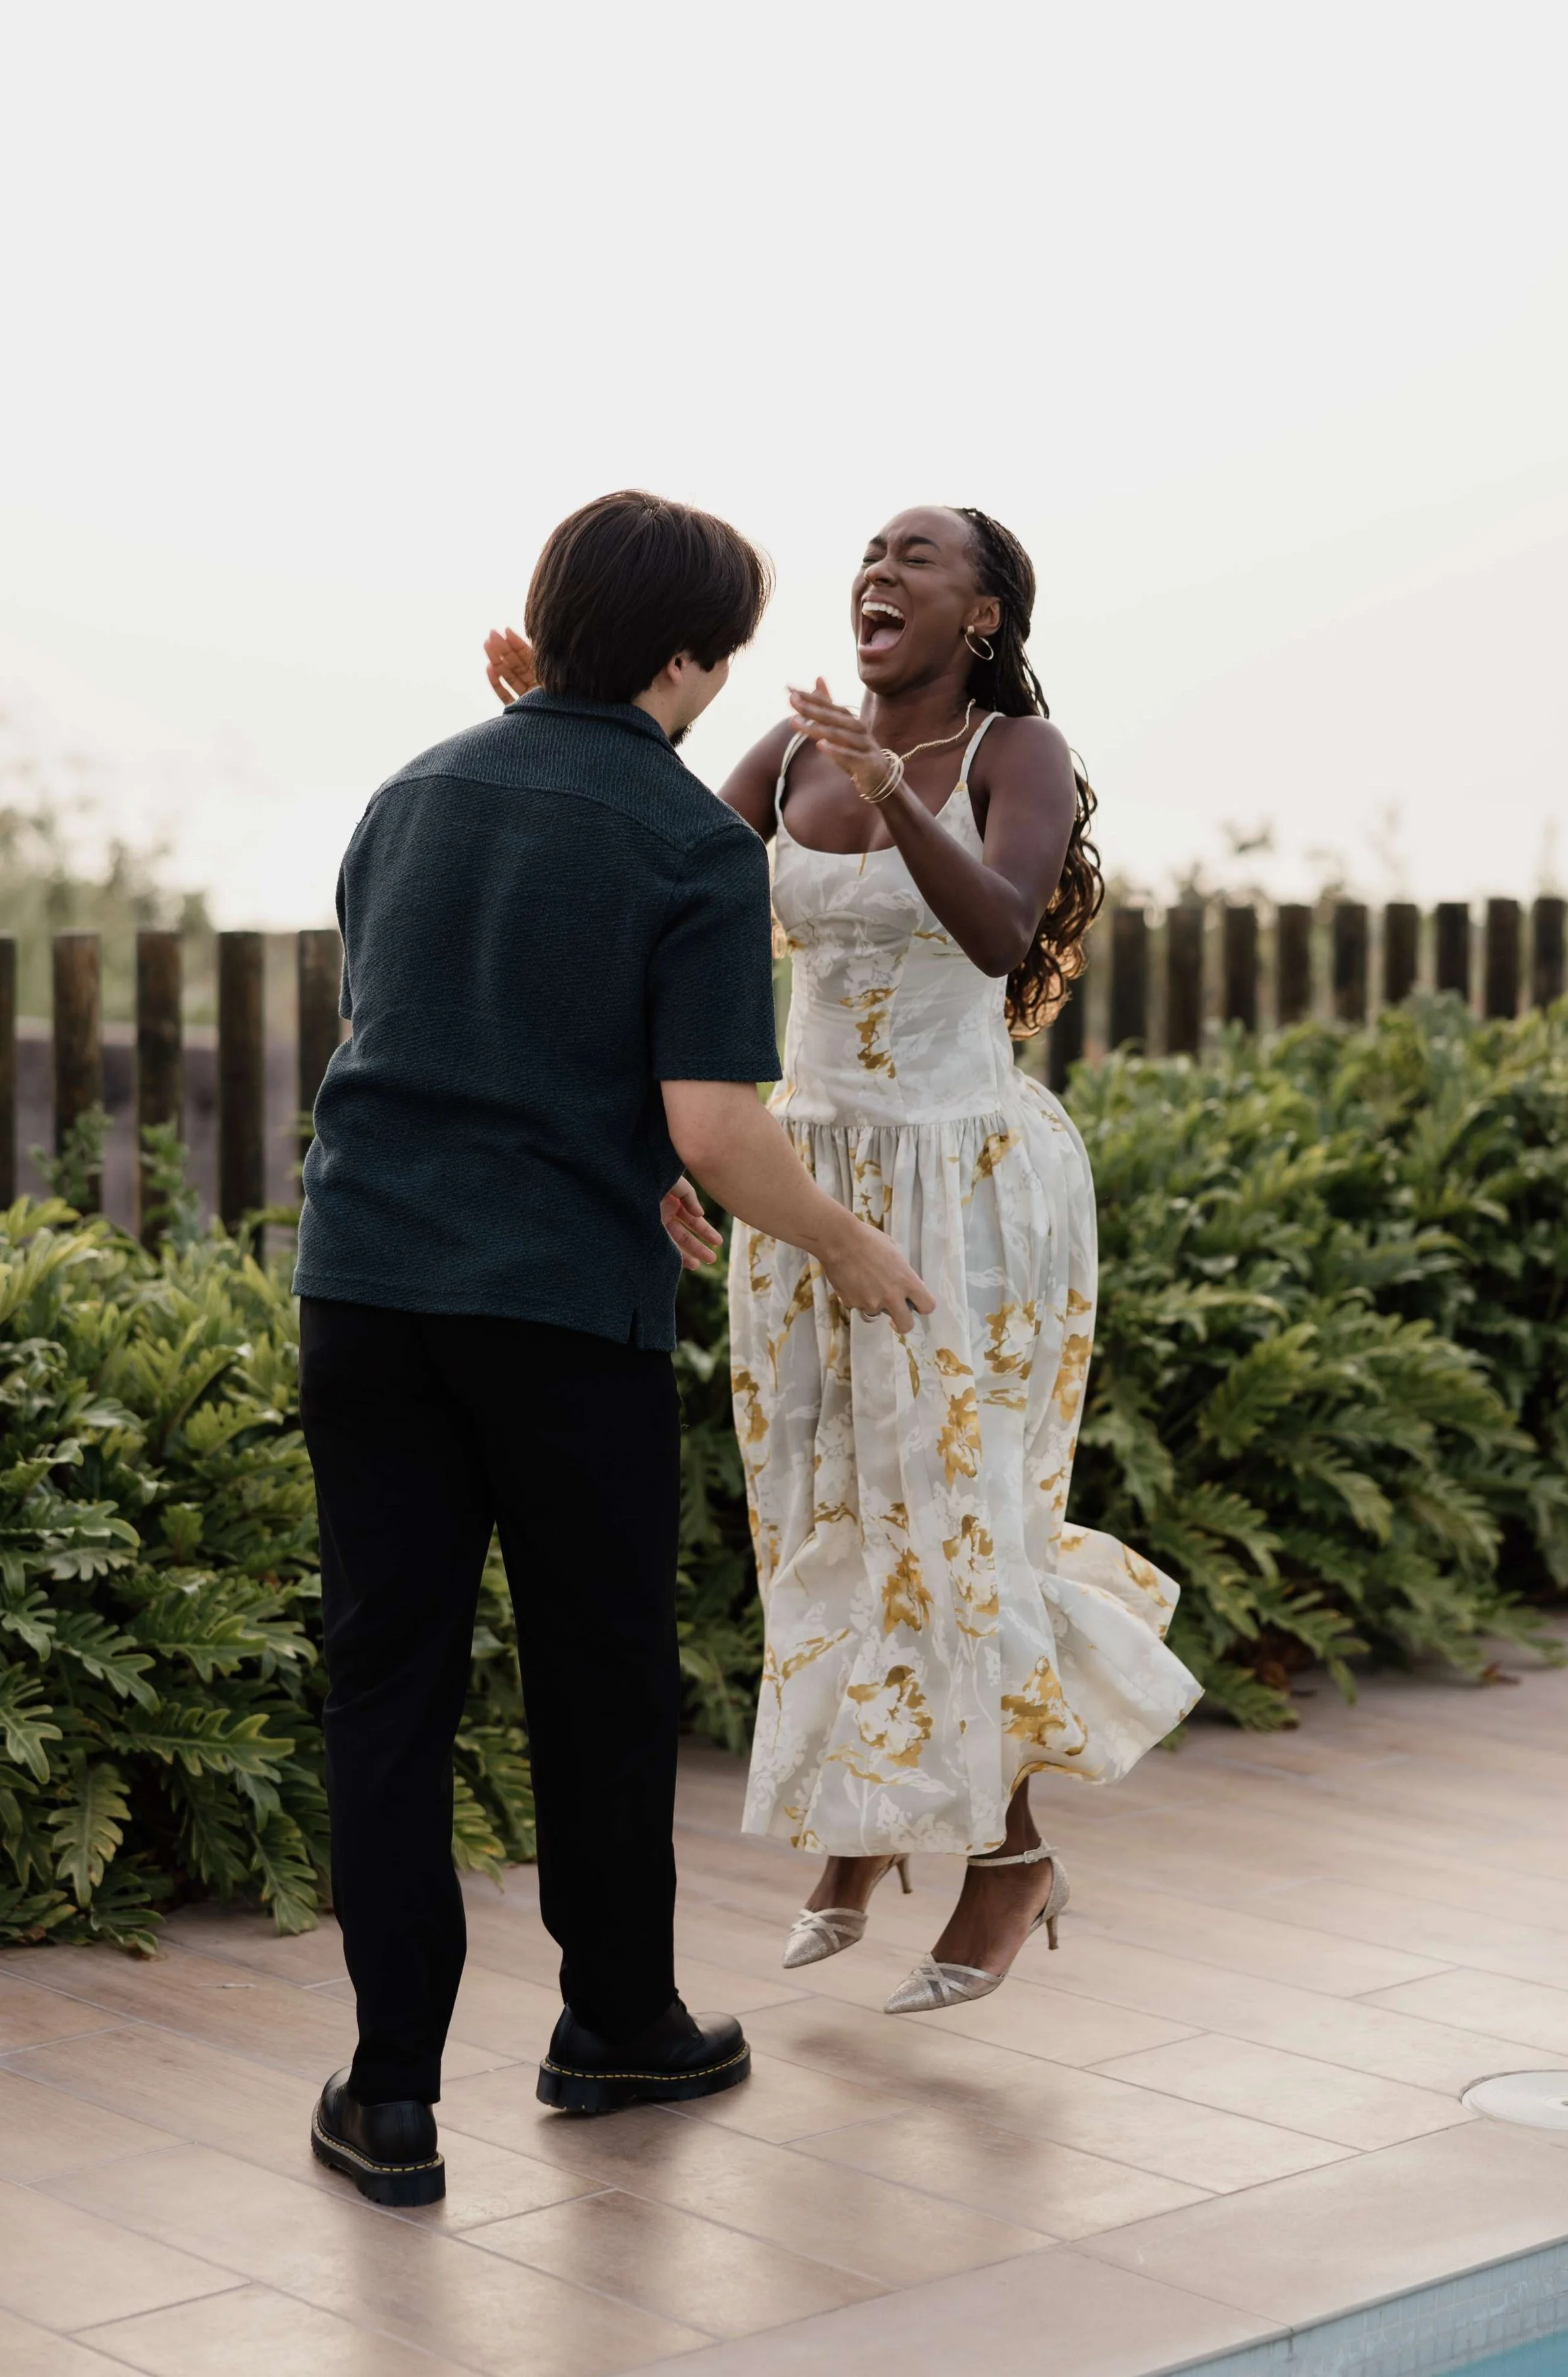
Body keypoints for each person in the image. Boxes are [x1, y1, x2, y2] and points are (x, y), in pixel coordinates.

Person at [297, 489, 931, 2209]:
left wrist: (628, 1149)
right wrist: (854, 1244)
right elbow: (716, 1122)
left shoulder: (410, 791)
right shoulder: (686, 843)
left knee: (388, 1684)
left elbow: (451, 1026)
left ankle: (392, 2094)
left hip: (363, 1287)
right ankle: (615, 2022)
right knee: (597, 1672)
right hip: (554, 1313)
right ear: (683, 656)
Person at [717, 506, 1202, 2009]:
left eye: (919, 554)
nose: (881, 569)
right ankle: (867, 1827)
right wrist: (555, 716)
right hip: (804, 1185)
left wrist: (891, 791)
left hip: (964, 1184)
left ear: (981, 613)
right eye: (872, 549)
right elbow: (656, 864)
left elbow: (997, 930)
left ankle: (1005, 1854)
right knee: (818, 1515)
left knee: (952, 1518)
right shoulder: (790, 751)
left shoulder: (1012, 754)